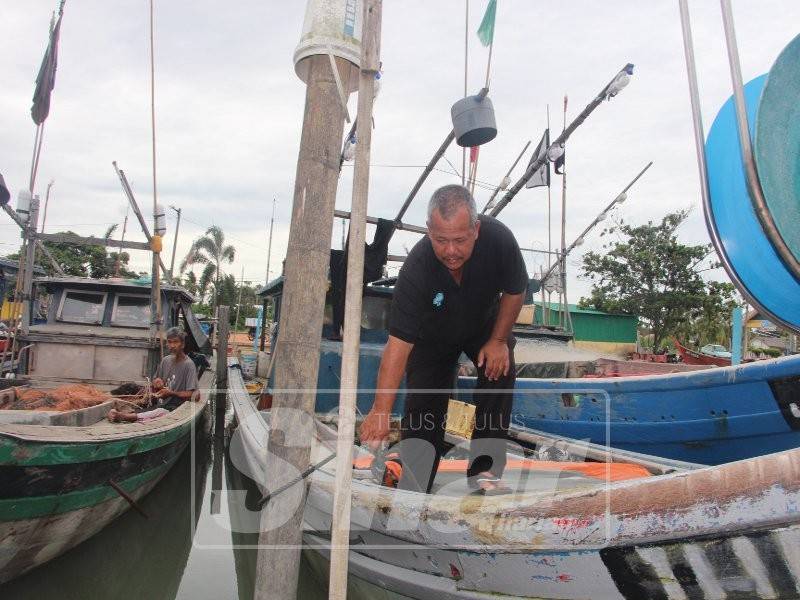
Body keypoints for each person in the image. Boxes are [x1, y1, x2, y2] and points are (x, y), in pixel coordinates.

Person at [359, 184, 528, 494]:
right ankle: (416, 479)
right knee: (424, 402)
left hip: (483, 326)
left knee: (499, 372)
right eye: (441, 240)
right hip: (432, 336)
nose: (451, 251)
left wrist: (499, 340)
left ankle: (485, 471)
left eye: (460, 240)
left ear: (476, 229)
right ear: (429, 231)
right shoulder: (417, 269)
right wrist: (381, 410)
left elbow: (515, 290)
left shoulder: (499, 240)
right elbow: (397, 347)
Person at [108, 327, 199, 422]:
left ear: (183, 344)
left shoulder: (189, 365)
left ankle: (125, 417)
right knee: (130, 387)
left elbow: (195, 396)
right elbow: (156, 382)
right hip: (159, 402)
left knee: (160, 412)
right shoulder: (166, 360)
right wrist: (157, 382)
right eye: (169, 342)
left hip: (173, 407)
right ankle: (112, 407)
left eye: (175, 342)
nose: (172, 345)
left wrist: (172, 393)